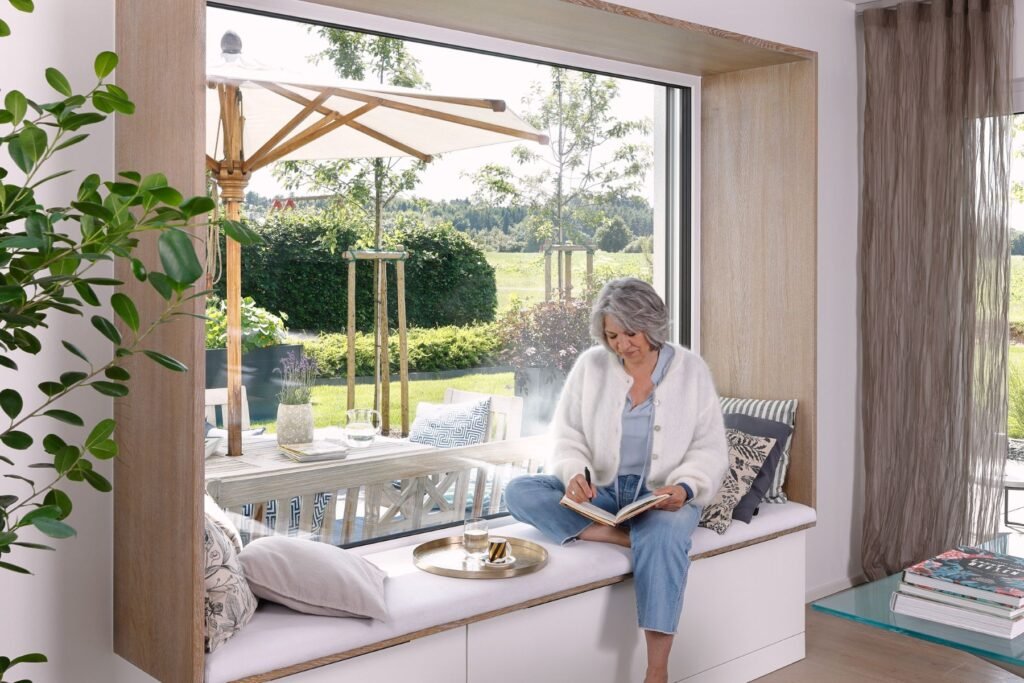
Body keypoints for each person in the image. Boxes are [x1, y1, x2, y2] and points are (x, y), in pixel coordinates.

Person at [504, 278, 728, 683]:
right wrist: (574, 473)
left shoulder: (691, 370)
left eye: (630, 333)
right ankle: (620, 535)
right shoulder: (591, 366)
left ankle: (656, 671)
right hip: (604, 492)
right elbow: (567, 435)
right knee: (519, 490)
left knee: (663, 537)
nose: (622, 345)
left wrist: (685, 487)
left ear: (652, 325)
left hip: (661, 498)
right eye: (612, 336)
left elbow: (709, 447)